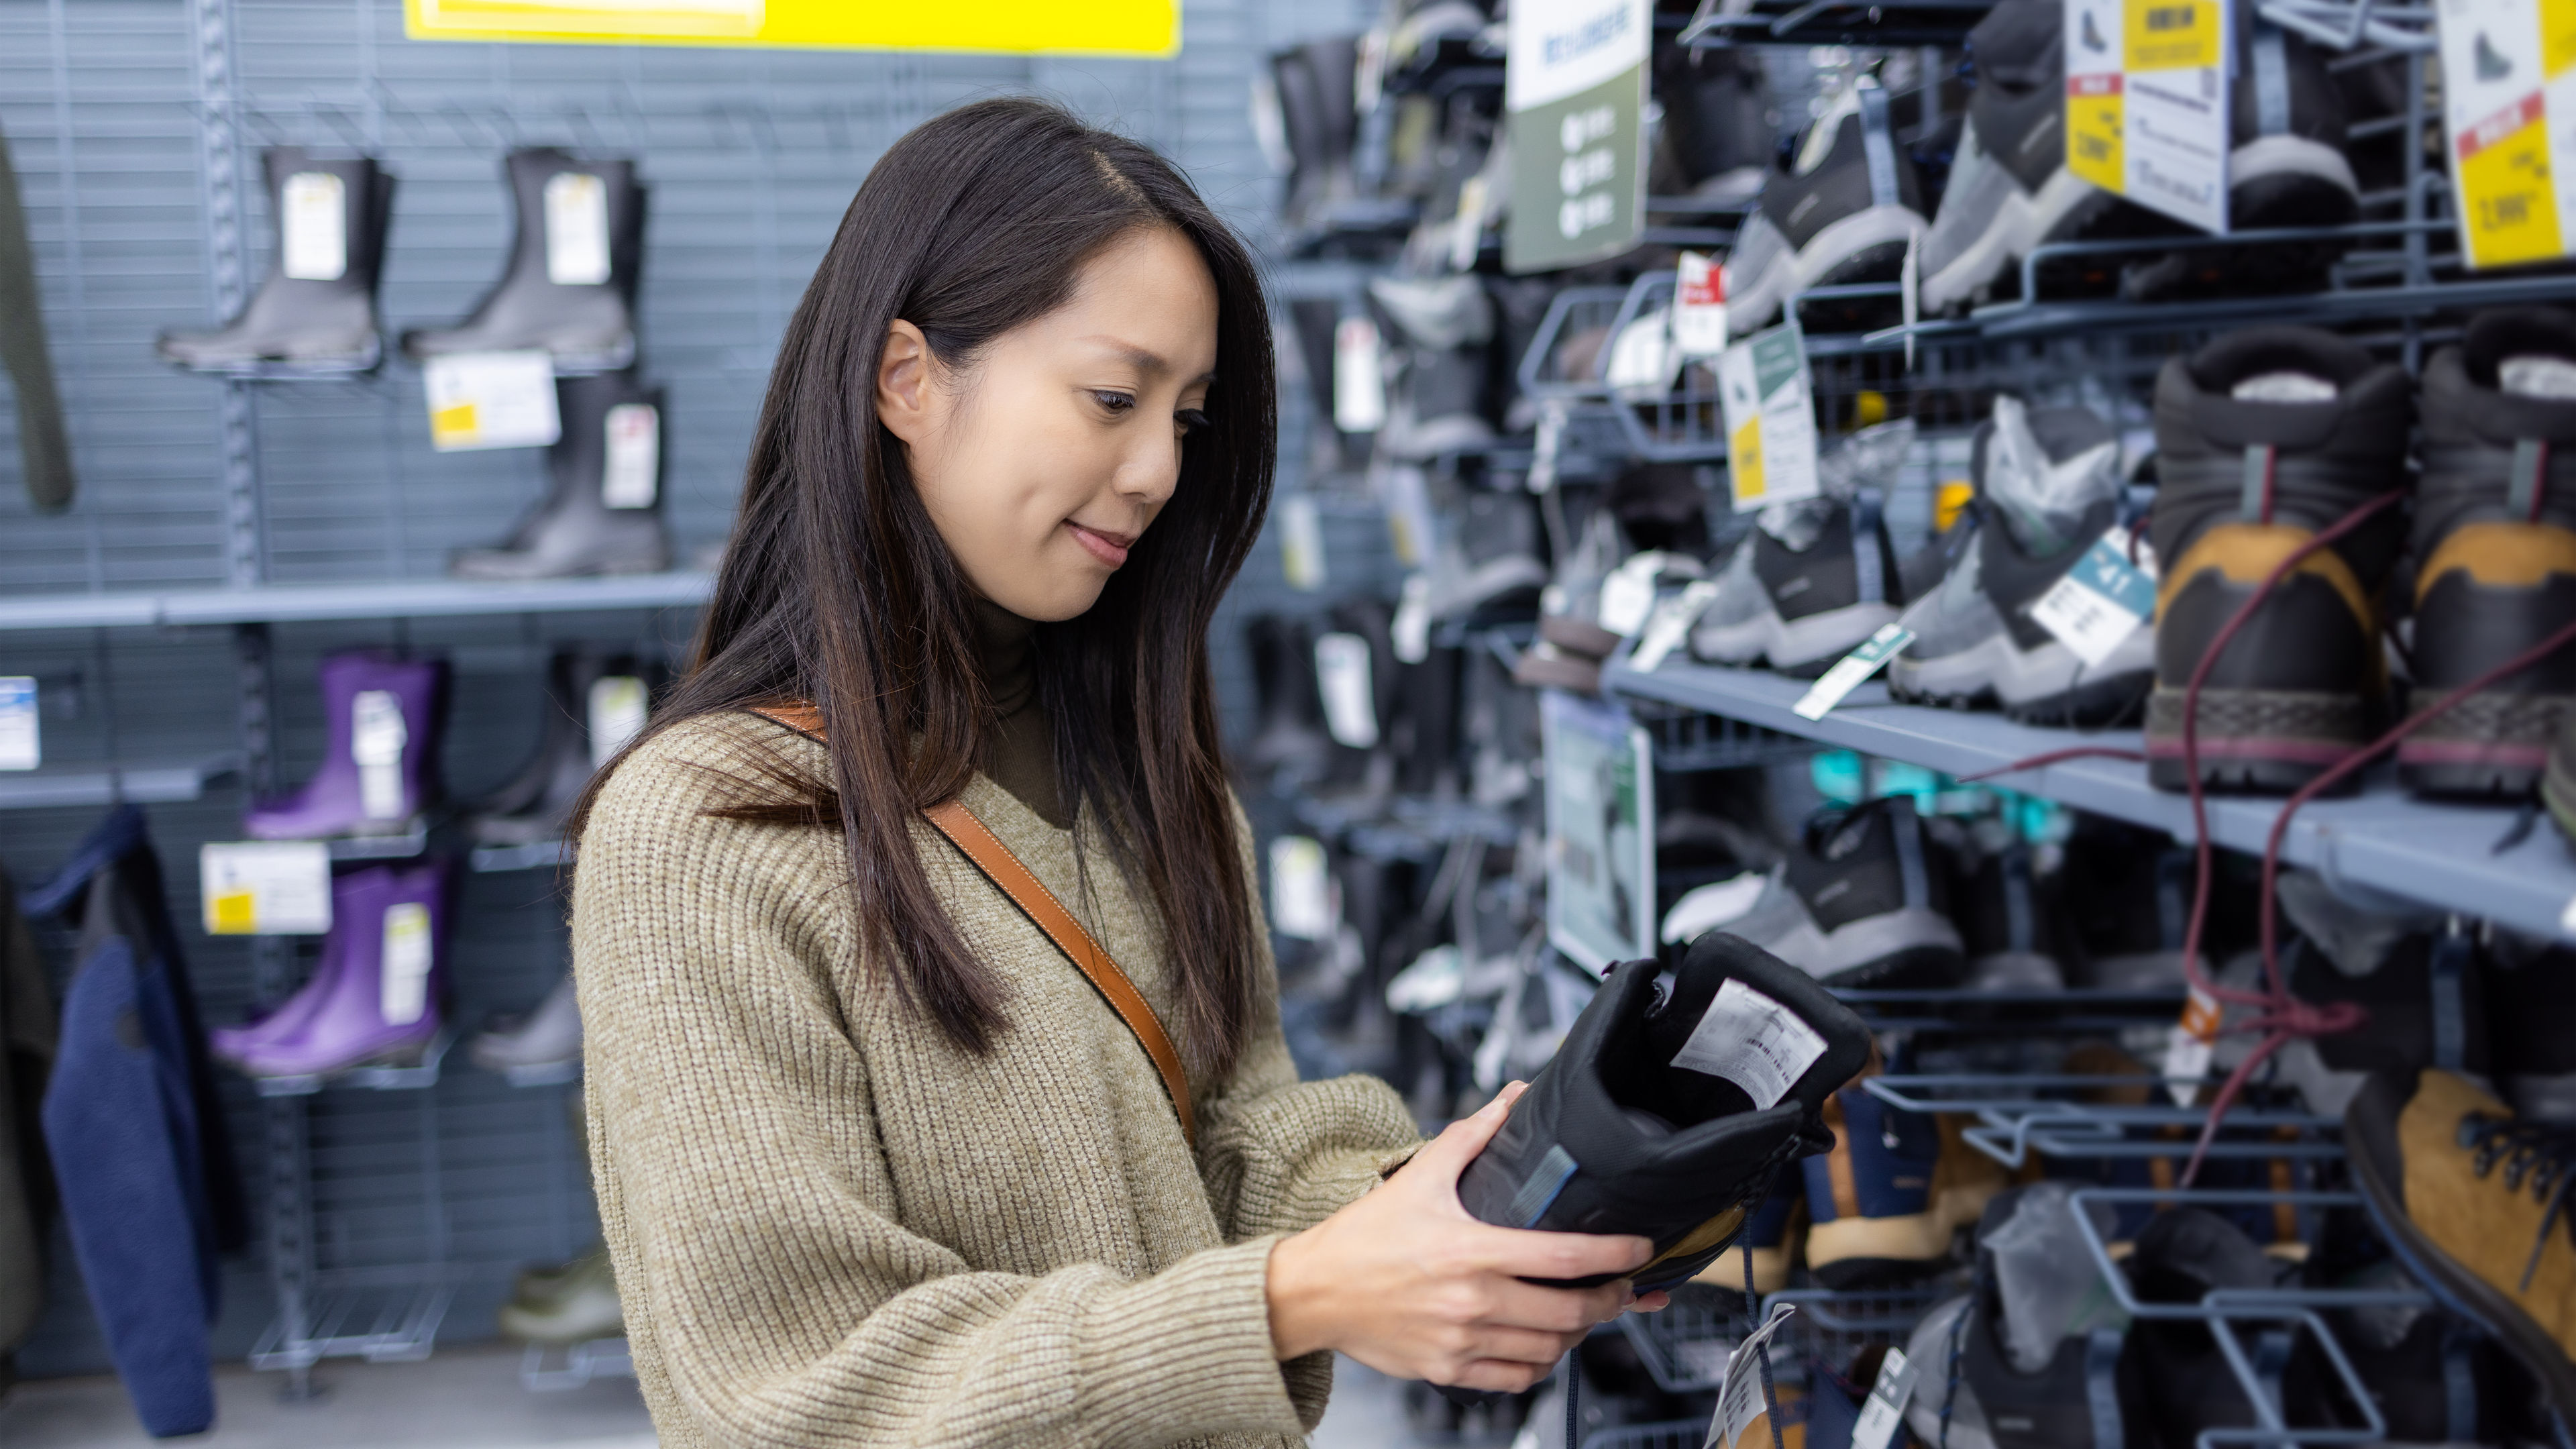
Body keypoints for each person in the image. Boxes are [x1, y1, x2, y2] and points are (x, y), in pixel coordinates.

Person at [570, 98, 1663, 1449]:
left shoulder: (1152, 773)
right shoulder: (708, 830)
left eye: (1189, 422)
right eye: (1110, 397)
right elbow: (790, 1401)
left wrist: (1452, 1211)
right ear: (905, 377)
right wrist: (1283, 1300)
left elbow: (1241, 1141)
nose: (1154, 472)